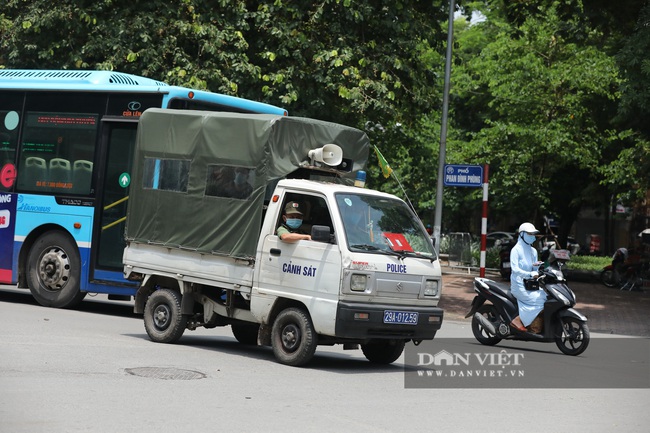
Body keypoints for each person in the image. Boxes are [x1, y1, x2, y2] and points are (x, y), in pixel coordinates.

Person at [509, 222, 546, 332]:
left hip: (530, 284)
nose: (532, 237)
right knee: (539, 301)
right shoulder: (516, 250)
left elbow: (534, 271)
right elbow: (515, 270)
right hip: (519, 285)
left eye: (533, 235)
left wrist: (536, 267)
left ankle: (531, 324)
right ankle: (518, 319)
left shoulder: (533, 251)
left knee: (545, 297)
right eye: (530, 234)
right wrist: (529, 273)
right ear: (522, 235)